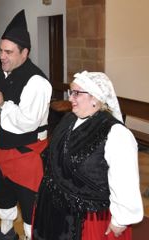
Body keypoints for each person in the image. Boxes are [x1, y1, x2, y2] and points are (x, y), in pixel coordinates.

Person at [32, 71, 143, 240]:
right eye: (71, 92)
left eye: (77, 93)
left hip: (87, 220)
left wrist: (121, 220)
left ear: (95, 98)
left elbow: (125, 180)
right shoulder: (68, 119)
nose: (70, 98)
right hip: (53, 210)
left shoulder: (116, 134)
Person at [0, 10, 52, 240]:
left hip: (27, 156)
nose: (2, 56)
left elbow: (27, 123)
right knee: (4, 196)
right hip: (1, 152)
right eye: (1, 50)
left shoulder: (38, 82)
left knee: (30, 205)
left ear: (25, 53)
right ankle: (6, 233)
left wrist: (0, 105)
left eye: (8, 52)